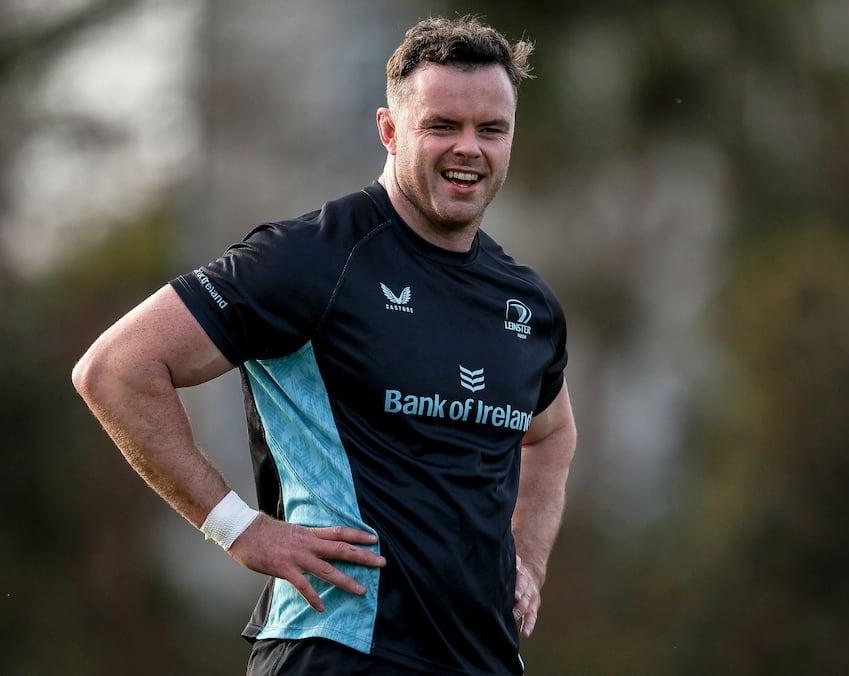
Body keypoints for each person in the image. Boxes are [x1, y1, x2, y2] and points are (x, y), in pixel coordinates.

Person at [72, 15, 576, 675]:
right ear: (390, 132)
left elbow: (552, 433)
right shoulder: (311, 259)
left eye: (491, 130)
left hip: (483, 661)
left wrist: (528, 562)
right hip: (336, 652)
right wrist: (237, 527)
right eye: (442, 126)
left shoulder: (527, 304)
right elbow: (116, 368)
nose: (468, 149)